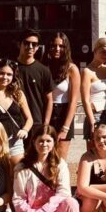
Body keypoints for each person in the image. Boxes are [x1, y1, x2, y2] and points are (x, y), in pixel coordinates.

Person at [12, 125, 81, 212]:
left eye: (48, 141)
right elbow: (18, 198)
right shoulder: (22, 167)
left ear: (54, 142)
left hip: (53, 211)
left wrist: (44, 211)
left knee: (72, 203)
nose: (44, 144)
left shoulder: (60, 164)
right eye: (41, 141)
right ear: (34, 142)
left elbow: (64, 192)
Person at [46, 32, 80, 160]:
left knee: (60, 159)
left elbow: (73, 101)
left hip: (63, 114)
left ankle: (59, 181)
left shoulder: (72, 69)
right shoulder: (44, 67)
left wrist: (65, 127)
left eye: (61, 46)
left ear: (66, 48)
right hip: (46, 113)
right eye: (54, 45)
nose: (57, 49)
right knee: (44, 157)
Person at [15, 29, 53, 136]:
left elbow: (49, 99)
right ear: (19, 44)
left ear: (37, 47)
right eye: (27, 43)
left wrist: (45, 124)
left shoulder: (43, 70)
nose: (30, 47)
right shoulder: (10, 69)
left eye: (34, 44)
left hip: (36, 124)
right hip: (14, 122)